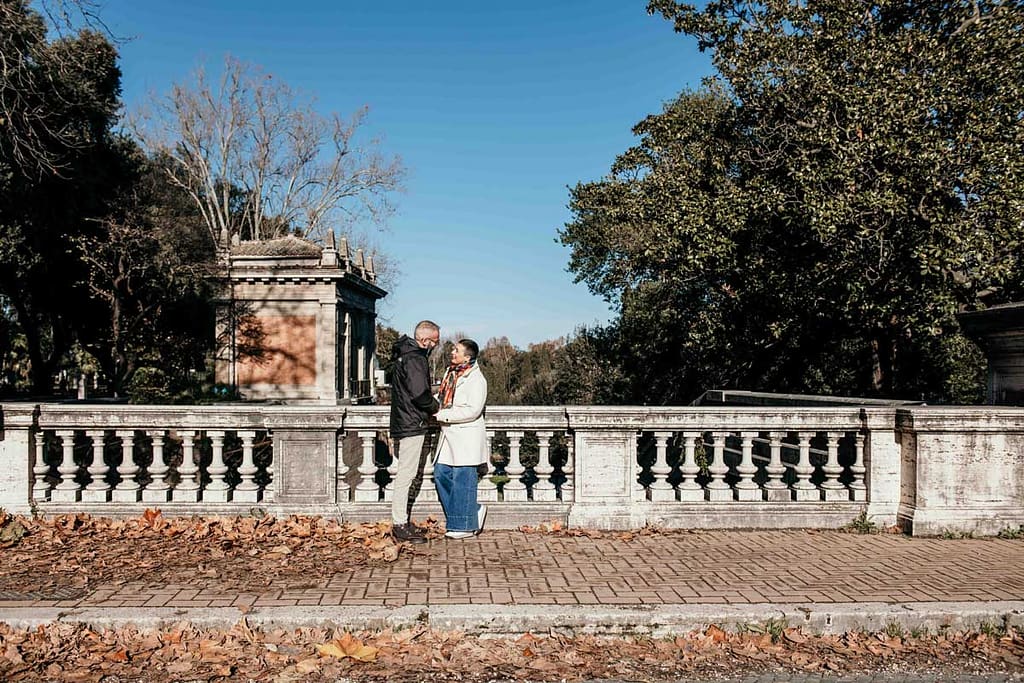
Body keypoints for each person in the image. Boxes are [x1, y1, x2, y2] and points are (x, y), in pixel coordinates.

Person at [389, 320, 441, 543]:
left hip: (405, 420)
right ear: (425, 339)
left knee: (408, 474)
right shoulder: (415, 358)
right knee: (407, 475)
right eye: (435, 342)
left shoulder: (405, 354)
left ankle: (402, 521)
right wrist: (436, 407)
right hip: (412, 423)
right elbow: (420, 394)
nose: (436, 346)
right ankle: (399, 525)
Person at [433, 338, 488, 539]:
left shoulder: (477, 379)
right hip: (448, 435)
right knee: (440, 473)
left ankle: (464, 525)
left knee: (463, 478)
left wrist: (442, 416)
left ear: (468, 356)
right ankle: (470, 512)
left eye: (456, 350)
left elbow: (473, 411)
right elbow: (443, 399)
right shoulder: (450, 373)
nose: (452, 353)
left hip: (466, 436)